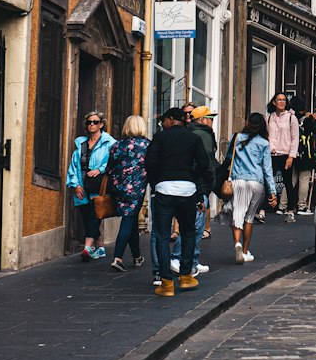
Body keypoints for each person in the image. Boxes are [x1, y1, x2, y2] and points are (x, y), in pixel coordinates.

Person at [144, 106, 213, 296]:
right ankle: (185, 276)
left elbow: (150, 162)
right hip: (187, 190)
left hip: (164, 189)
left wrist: (156, 181)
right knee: (188, 232)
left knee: (162, 235)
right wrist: (191, 176)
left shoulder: (160, 137)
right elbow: (204, 163)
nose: (162, 123)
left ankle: (166, 282)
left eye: (163, 120)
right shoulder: (194, 138)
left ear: (171, 119)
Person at [225, 112, 276, 264]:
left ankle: (237, 244)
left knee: (237, 216)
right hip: (257, 182)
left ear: (247, 123)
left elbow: (229, 159)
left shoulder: (236, 138)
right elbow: (267, 169)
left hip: (239, 180)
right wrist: (272, 191)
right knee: (249, 217)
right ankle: (245, 251)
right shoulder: (264, 143)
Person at [67, 111, 117, 261]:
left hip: (99, 186)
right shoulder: (81, 145)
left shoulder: (110, 143)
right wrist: (75, 185)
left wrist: (100, 169)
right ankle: (100, 247)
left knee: (95, 216)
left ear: (101, 124)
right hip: (83, 185)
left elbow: (113, 163)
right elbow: (73, 166)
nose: (92, 125)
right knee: (87, 217)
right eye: (89, 122)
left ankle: (87, 247)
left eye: (95, 122)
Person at [107, 115, 150, 270]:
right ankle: (117, 258)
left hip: (119, 188)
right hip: (137, 188)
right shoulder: (146, 145)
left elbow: (109, 168)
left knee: (130, 219)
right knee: (128, 220)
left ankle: (137, 256)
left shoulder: (116, 146)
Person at [267, 92, 301, 222]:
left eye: (283, 100)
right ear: (274, 102)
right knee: (268, 182)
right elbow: (268, 136)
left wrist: (291, 156)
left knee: (288, 183)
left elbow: (295, 138)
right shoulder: (269, 117)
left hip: (286, 154)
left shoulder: (291, 118)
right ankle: (263, 209)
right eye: (278, 100)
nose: (281, 102)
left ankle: (291, 211)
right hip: (271, 154)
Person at [188, 106, 219, 241]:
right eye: (210, 118)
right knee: (197, 223)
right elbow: (206, 160)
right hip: (200, 182)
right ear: (202, 120)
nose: (212, 121)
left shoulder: (189, 131)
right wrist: (210, 178)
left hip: (189, 179)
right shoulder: (204, 134)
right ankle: (189, 258)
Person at [297, 108, 316, 213]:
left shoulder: (292, 118)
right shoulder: (307, 121)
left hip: (295, 153)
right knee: (304, 180)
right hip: (306, 155)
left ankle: (283, 205)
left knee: (291, 180)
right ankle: (302, 205)